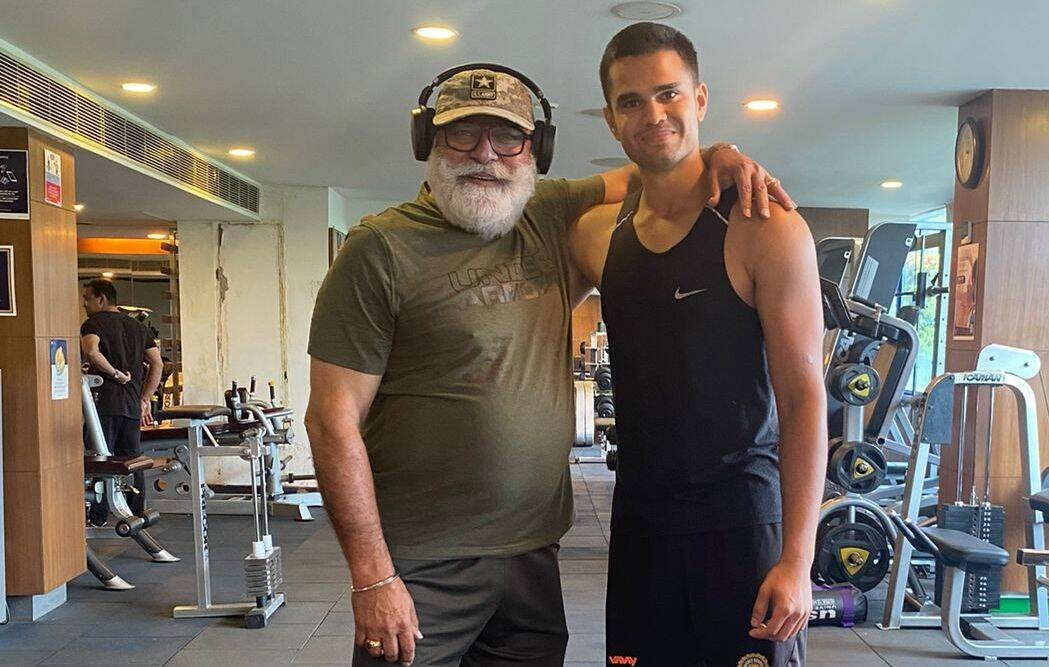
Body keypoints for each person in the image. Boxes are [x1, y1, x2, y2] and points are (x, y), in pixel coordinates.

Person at [304, 65, 794, 666]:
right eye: (462, 134)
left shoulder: (544, 211)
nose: (486, 154)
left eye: (507, 136)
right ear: (428, 141)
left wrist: (721, 154)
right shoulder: (379, 250)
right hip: (423, 563)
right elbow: (330, 422)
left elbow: (653, 168)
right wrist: (373, 577)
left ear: (535, 150)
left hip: (532, 557)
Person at [567, 22, 828, 665]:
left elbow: (803, 398)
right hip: (641, 529)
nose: (653, 114)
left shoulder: (765, 228)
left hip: (742, 528)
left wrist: (798, 559)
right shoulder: (596, 237)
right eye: (631, 102)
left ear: (700, 99)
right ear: (610, 120)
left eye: (669, 94)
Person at [80, 278, 163, 514]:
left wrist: (115, 374)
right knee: (132, 459)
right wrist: (145, 397)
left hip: (104, 404)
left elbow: (92, 352)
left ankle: (98, 516)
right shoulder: (138, 327)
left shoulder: (93, 323)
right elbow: (157, 363)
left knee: (99, 458)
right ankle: (136, 513)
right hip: (131, 405)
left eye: (87, 299)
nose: (84, 304)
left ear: (101, 299)